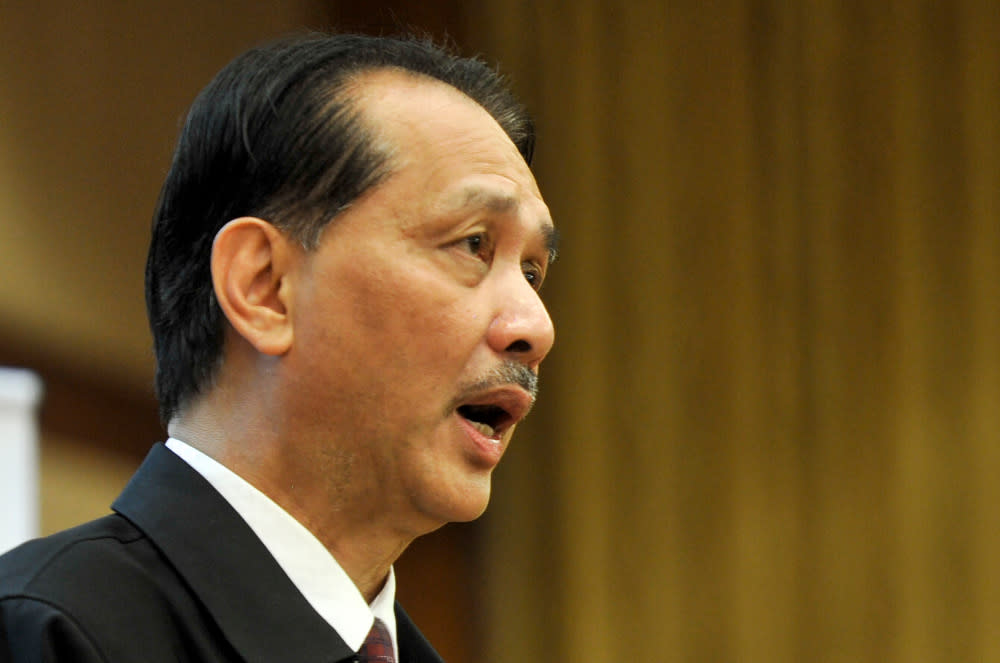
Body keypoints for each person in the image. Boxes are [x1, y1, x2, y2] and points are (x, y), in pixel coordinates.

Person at [0, 32, 557, 663]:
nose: (535, 326)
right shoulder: (47, 634)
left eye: (534, 272)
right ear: (264, 288)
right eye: (473, 244)